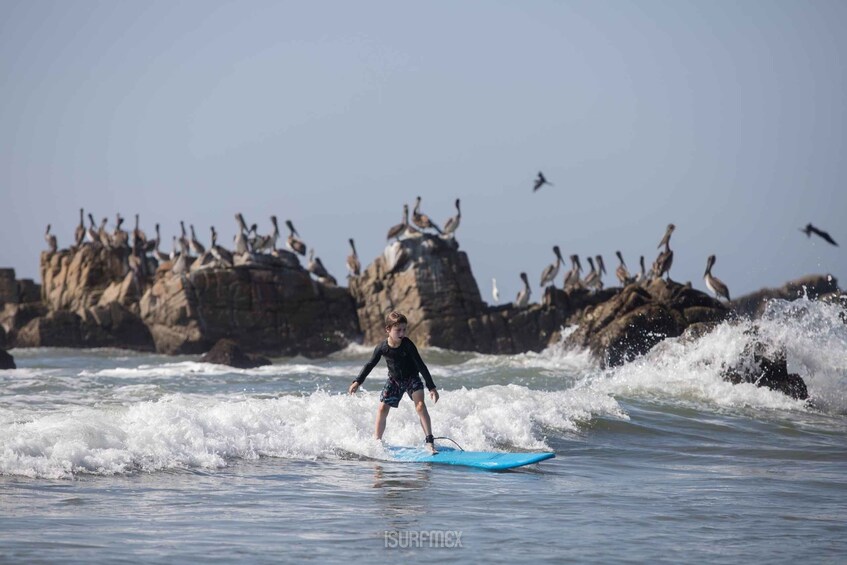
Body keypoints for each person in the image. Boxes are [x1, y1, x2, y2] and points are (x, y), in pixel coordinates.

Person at [349, 310, 440, 453]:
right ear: (388, 330)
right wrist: (358, 381)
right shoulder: (382, 347)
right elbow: (370, 364)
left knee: (420, 406)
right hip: (394, 380)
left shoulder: (408, 344)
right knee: (382, 408)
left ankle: (429, 441)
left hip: (412, 378)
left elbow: (421, 365)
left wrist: (431, 387)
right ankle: (376, 443)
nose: (402, 333)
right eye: (398, 330)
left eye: (404, 329)